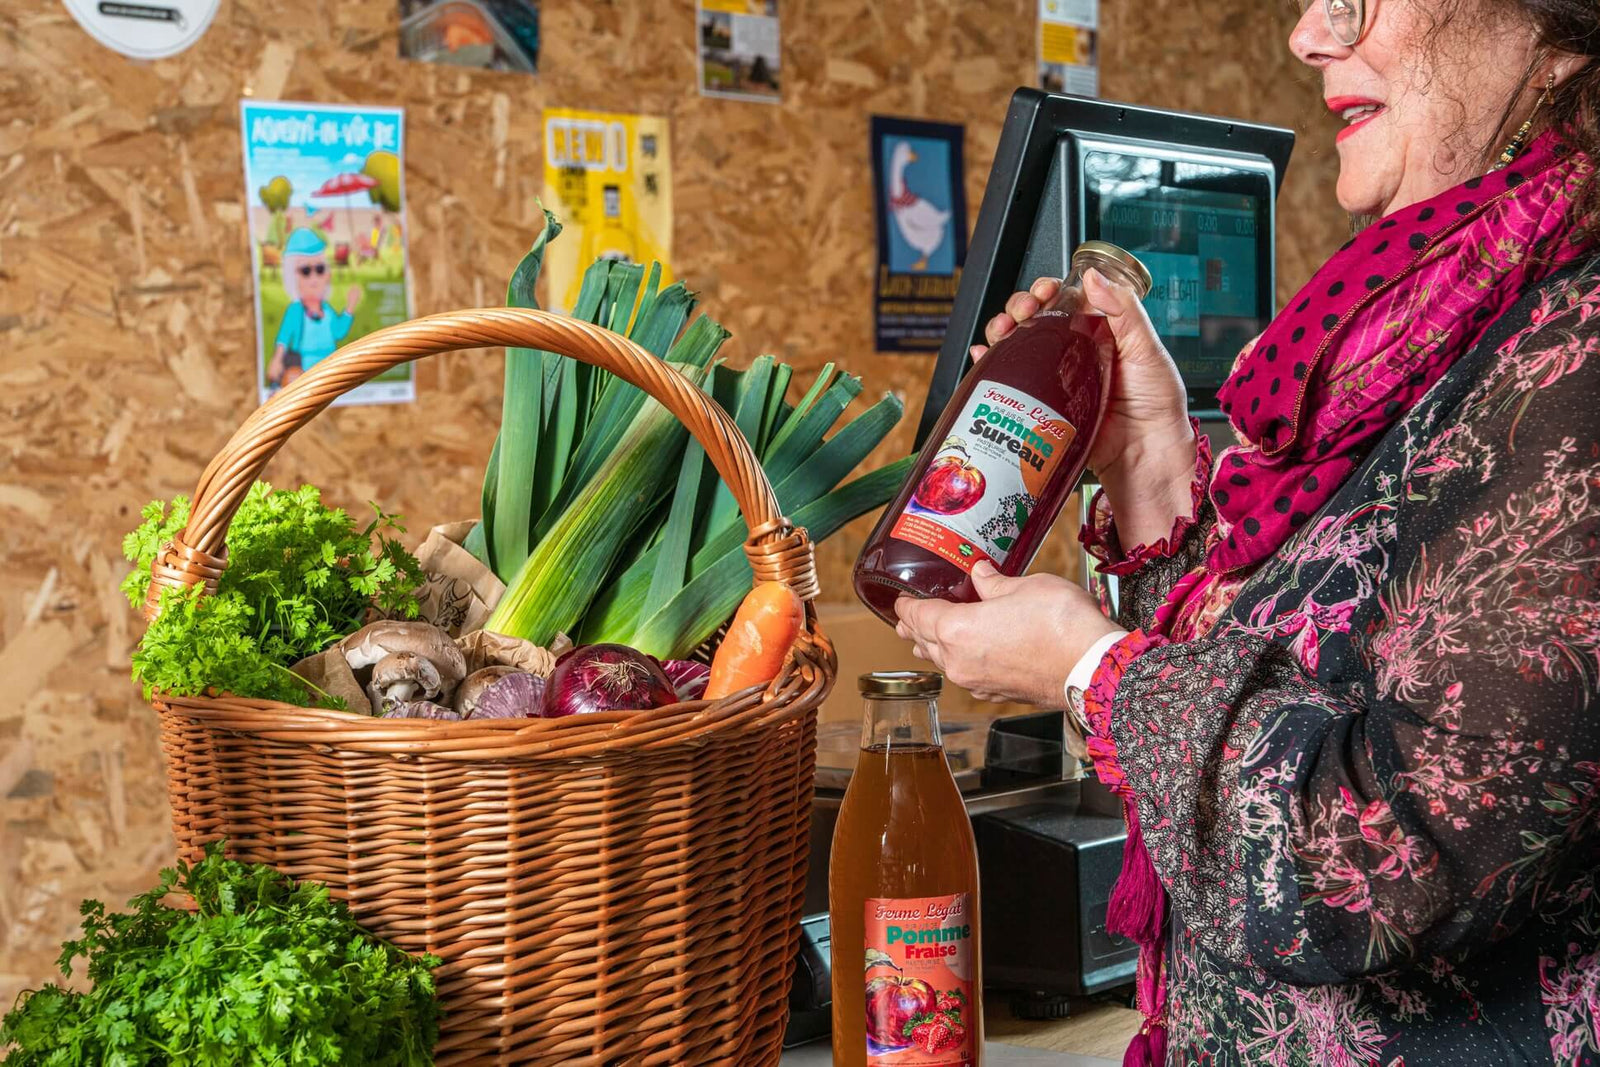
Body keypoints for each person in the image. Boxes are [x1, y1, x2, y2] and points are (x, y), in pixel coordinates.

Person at [894, 1, 1600, 1062]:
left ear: (1551, 35)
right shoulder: (1438, 316)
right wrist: (1149, 463)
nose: (1308, 36)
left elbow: (1384, 860)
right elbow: (1289, 659)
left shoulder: (1579, 354)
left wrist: (1092, 673)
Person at [266, 227, 362, 388]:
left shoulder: (327, 311)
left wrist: (350, 307)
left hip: (330, 371)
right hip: (304, 374)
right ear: (292, 276)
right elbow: (283, 337)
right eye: (305, 271)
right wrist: (277, 360)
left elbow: (338, 332)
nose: (314, 278)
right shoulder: (296, 311)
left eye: (320, 269)